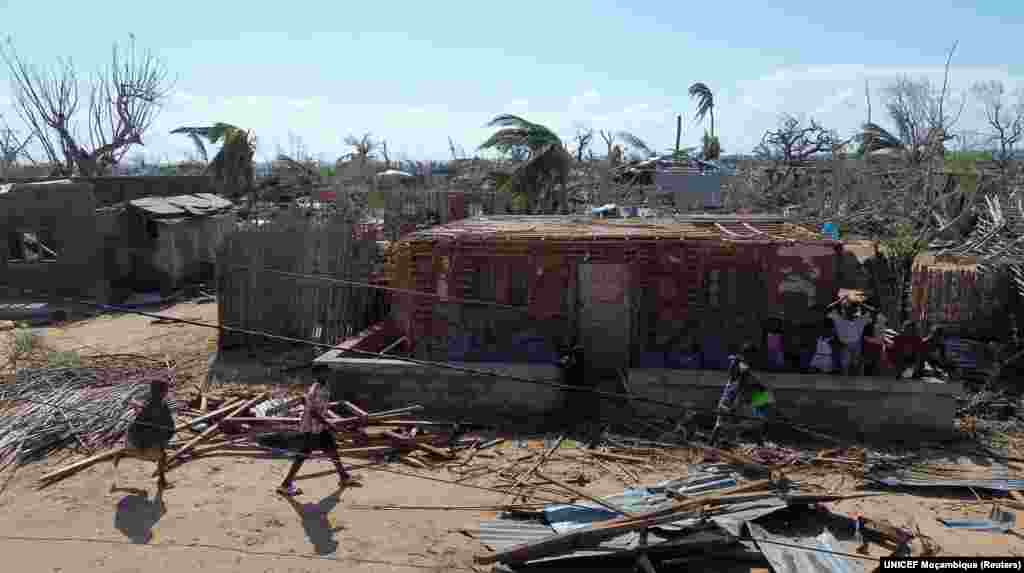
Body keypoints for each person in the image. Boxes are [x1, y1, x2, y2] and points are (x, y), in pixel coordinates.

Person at [277, 371, 357, 497]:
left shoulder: (323, 387)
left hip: (319, 427)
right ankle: (285, 485)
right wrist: (329, 424)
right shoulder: (315, 389)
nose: (327, 375)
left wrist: (324, 423)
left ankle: (344, 477)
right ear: (318, 375)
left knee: (331, 449)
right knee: (303, 454)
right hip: (312, 428)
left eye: (328, 373)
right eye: (324, 374)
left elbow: (310, 403)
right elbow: (312, 411)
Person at [113, 379, 176, 492]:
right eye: (166, 390)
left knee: (158, 450)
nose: (166, 393)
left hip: (136, 437)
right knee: (162, 456)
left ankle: (124, 453)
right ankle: (162, 482)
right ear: (162, 392)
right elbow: (168, 426)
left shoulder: (149, 402)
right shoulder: (160, 406)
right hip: (144, 441)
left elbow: (144, 417)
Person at [710, 343, 770, 446]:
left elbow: (749, 379)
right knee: (721, 422)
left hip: (739, 395)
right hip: (733, 395)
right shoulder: (738, 363)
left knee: (754, 422)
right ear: (749, 354)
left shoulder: (743, 364)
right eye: (753, 356)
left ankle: (761, 446)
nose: (754, 359)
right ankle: (710, 444)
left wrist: (761, 389)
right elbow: (739, 380)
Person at [827, 298, 874, 376]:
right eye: (848, 309)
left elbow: (873, 311)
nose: (851, 312)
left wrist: (861, 304)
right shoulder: (838, 319)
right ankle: (845, 379)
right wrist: (839, 301)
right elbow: (828, 309)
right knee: (845, 365)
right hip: (845, 345)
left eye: (853, 310)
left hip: (857, 345)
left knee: (856, 365)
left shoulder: (860, 320)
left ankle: (857, 379)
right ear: (844, 310)